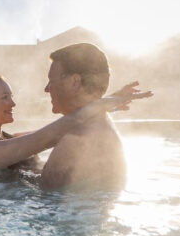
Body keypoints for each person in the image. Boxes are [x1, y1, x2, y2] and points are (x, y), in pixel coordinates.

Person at [0, 69, 150, 172]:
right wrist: (99, 105)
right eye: (5, 97)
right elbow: (46, 137)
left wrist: (108, 101)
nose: (13, 103)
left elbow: (57, 130)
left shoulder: (6, 139)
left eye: (11, 96)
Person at [40, 43, 140, 191]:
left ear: (74, 82)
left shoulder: (75, 141)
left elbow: (46, 200)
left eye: (51, 81)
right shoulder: (99, 125)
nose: (47, 89)